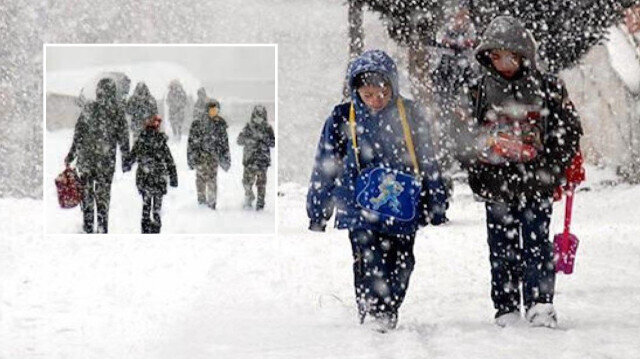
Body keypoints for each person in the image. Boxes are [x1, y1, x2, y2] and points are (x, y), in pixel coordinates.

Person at [306, 50, 448, 332]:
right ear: (356, 90)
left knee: (402, 261)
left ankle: (389, 305)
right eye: (368, 94)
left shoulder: (410, 114)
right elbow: (326, 165)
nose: (376, 100)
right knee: (367, 258)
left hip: (402, 204)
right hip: (359, 206)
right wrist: (318, 210)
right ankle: (373, 309)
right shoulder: (342, 117)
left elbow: (427, 158)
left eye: (382, 93)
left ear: (392, 86)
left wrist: (436, 202)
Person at [462, 16, 583, 328]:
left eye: (511, 56)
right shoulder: (478, 91)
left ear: (524, 56)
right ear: (487, 56)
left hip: (537, 181)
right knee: (501, 247)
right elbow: (462, 134)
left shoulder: (548, 87)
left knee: (536, 244)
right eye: (496, 56)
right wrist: (477, 161)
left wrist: (554, 165)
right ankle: (505, 306)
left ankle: (540, 303)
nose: (503, 64)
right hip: (496, 183)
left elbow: (568, 130)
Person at [65, 78, 130, 234]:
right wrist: (125, 158)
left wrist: (72, 154)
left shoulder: (89, 108)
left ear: (98, 91)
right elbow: (123, 138)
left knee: (87, 193)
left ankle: (88, 225)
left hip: (86, 161)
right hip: (106, 162)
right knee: (103, 195)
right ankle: (102, 225)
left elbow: (78, 134)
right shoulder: (117, 112)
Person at [124, 115, 178, 233]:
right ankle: (156, 227)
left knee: (146, 205)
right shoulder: (161, 141)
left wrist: (126, 165)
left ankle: (145, 228)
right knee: (157, 207)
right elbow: (169, 160)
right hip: (159, 178)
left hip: (145, 178)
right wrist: (173, 177)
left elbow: (132, 156)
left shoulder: (141, 141)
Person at [187, 99, 231, 209]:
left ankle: (212, 202)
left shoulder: (220, 124)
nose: (213, 112)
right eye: (211, 110)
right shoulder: (198, 124)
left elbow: (224, 143)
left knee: (212, 178)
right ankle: (201, 201)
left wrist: (225, 157)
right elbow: (191, 142)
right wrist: (191, 157)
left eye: (215, 110)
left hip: (213, 156)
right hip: (200, 155)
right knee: (200, 179)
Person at [237, 105, 275, 210]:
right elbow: (239, 140)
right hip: (249, 160)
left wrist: (263, 140)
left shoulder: (268, 128)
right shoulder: (248, 127)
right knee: (246, 182)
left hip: (262, 160)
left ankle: (260, 203)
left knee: (261, 184)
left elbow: (273, 143)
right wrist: (250, 140)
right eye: (257, 115)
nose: (259, 118)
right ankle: (249, 196)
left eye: (261, 116)